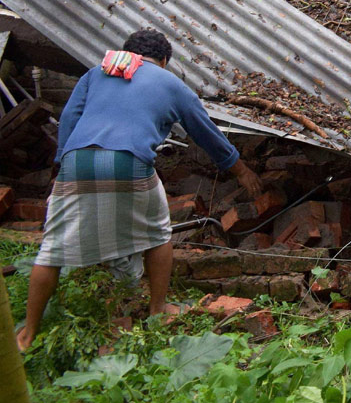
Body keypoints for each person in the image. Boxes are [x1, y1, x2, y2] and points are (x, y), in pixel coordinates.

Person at [16, 28, 262, 351]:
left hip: (77, 163)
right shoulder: (171, 83)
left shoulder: (95, 74)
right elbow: (206, 133)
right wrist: (242, 171)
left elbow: (68, 121)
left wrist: (62, 166)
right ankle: (157, 310)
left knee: (52, 251)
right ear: (162, 61)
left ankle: (27, 334)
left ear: (129, 53)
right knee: (158, 233)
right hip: (129, 162)